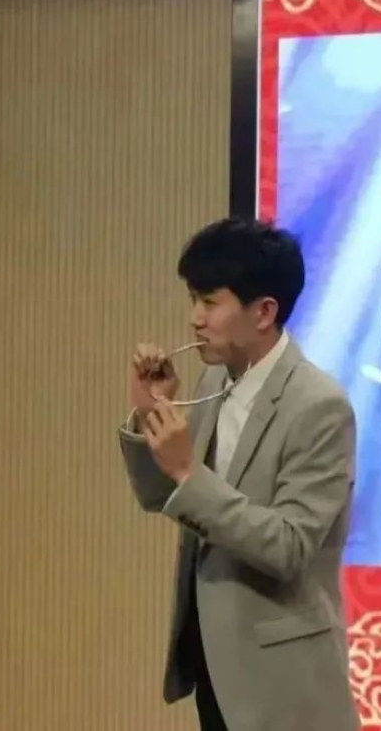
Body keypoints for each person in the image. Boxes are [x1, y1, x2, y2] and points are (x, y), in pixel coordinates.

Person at [118, 217, 361, 731]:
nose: (195, 319)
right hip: (215, 666)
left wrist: (189, 470)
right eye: (193, 300)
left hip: (283, 683)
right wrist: (149, 414)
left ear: (264, 312)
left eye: (210, 302)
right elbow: (165, 495)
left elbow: (289, 546)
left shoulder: (319, 405)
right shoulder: (214, 382)